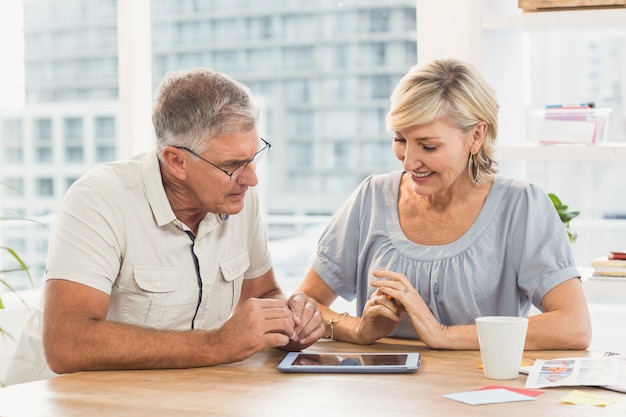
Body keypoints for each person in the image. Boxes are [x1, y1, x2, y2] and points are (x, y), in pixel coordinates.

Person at [4, 68, 324, 385]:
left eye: (254, 157)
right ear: (176, 161)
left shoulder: (236, 196)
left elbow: (263, 293)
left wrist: (290, 321)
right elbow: (67, 344)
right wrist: (217, 345)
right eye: (232, 165)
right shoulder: (99, 200)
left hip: (158, 397)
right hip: (51, 399)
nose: (252, 178)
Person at [295, 58, 592, 351]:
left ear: (477, 136)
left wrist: (443, 334)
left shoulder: (521, 207)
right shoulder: (372, 197)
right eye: (400, 139)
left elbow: (573, 326)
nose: (409, 162)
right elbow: (302, 305)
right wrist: (358, 330)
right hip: (380, 395)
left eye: (428, 146)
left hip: (478, 392)